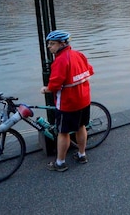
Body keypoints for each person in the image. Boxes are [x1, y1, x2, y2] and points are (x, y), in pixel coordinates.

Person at [42, 30, 94, 172]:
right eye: (49, 44)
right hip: (83, 99)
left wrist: (46, 89)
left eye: (52, 44)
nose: (49, 47)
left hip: (68, 103)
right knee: (81, 126)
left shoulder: (59, 61)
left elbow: (55, 85)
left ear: (62, 43)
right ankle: (82, 155)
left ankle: (60, 162)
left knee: (63, 132)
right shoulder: (79, 55)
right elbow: (89, 71)